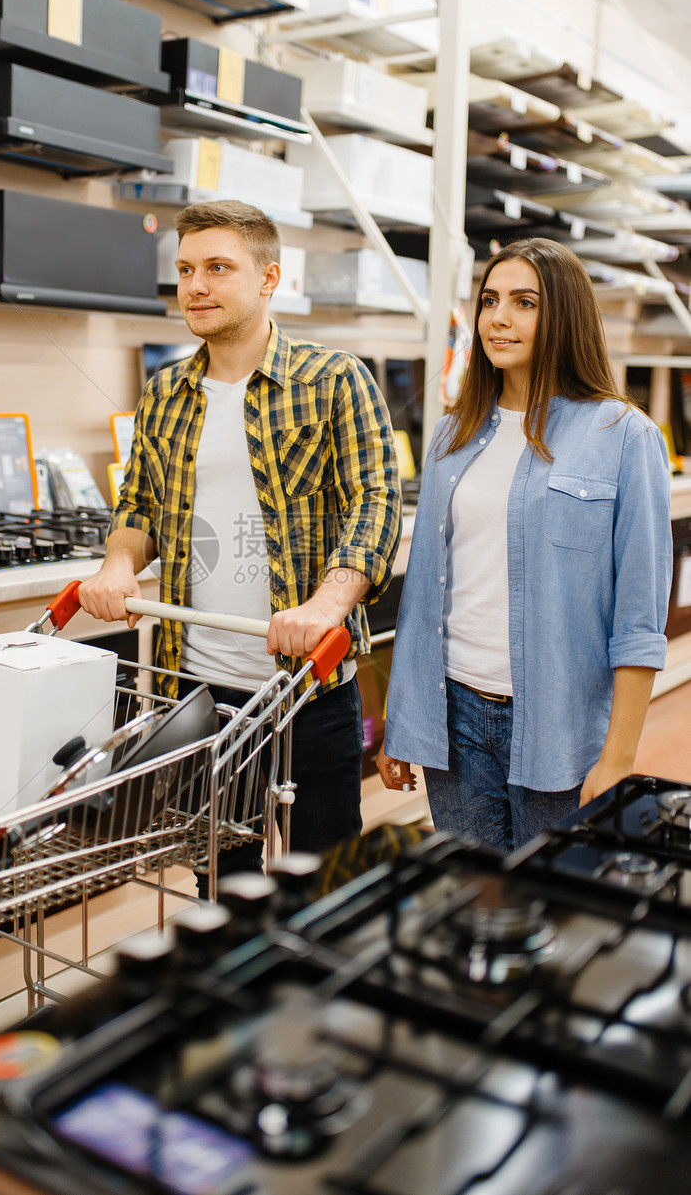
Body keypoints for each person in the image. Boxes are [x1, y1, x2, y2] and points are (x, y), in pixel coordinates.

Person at [79, 199, 401, 880]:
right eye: (186, 268)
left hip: (307, 691)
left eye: (218, 267)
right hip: (201, 693)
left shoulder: (335, 379)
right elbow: (140, 507)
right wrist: (117, 566)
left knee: (329, 881)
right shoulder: (165, 391)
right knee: (222, 883)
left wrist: (325, 606)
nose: (195, 285)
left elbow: (375, 504)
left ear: (268, 277)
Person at [377, 237, 672, 852]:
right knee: (478, 908)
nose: (498, 318)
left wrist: (619, 755)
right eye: (490, 301)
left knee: (555, 914)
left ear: (563, 315)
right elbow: (424, 594)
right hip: (453, 715)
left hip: (560, 723)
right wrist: (404, 722)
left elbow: (640, 618)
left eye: (524, 302)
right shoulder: (451, 435)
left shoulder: (624, 436)